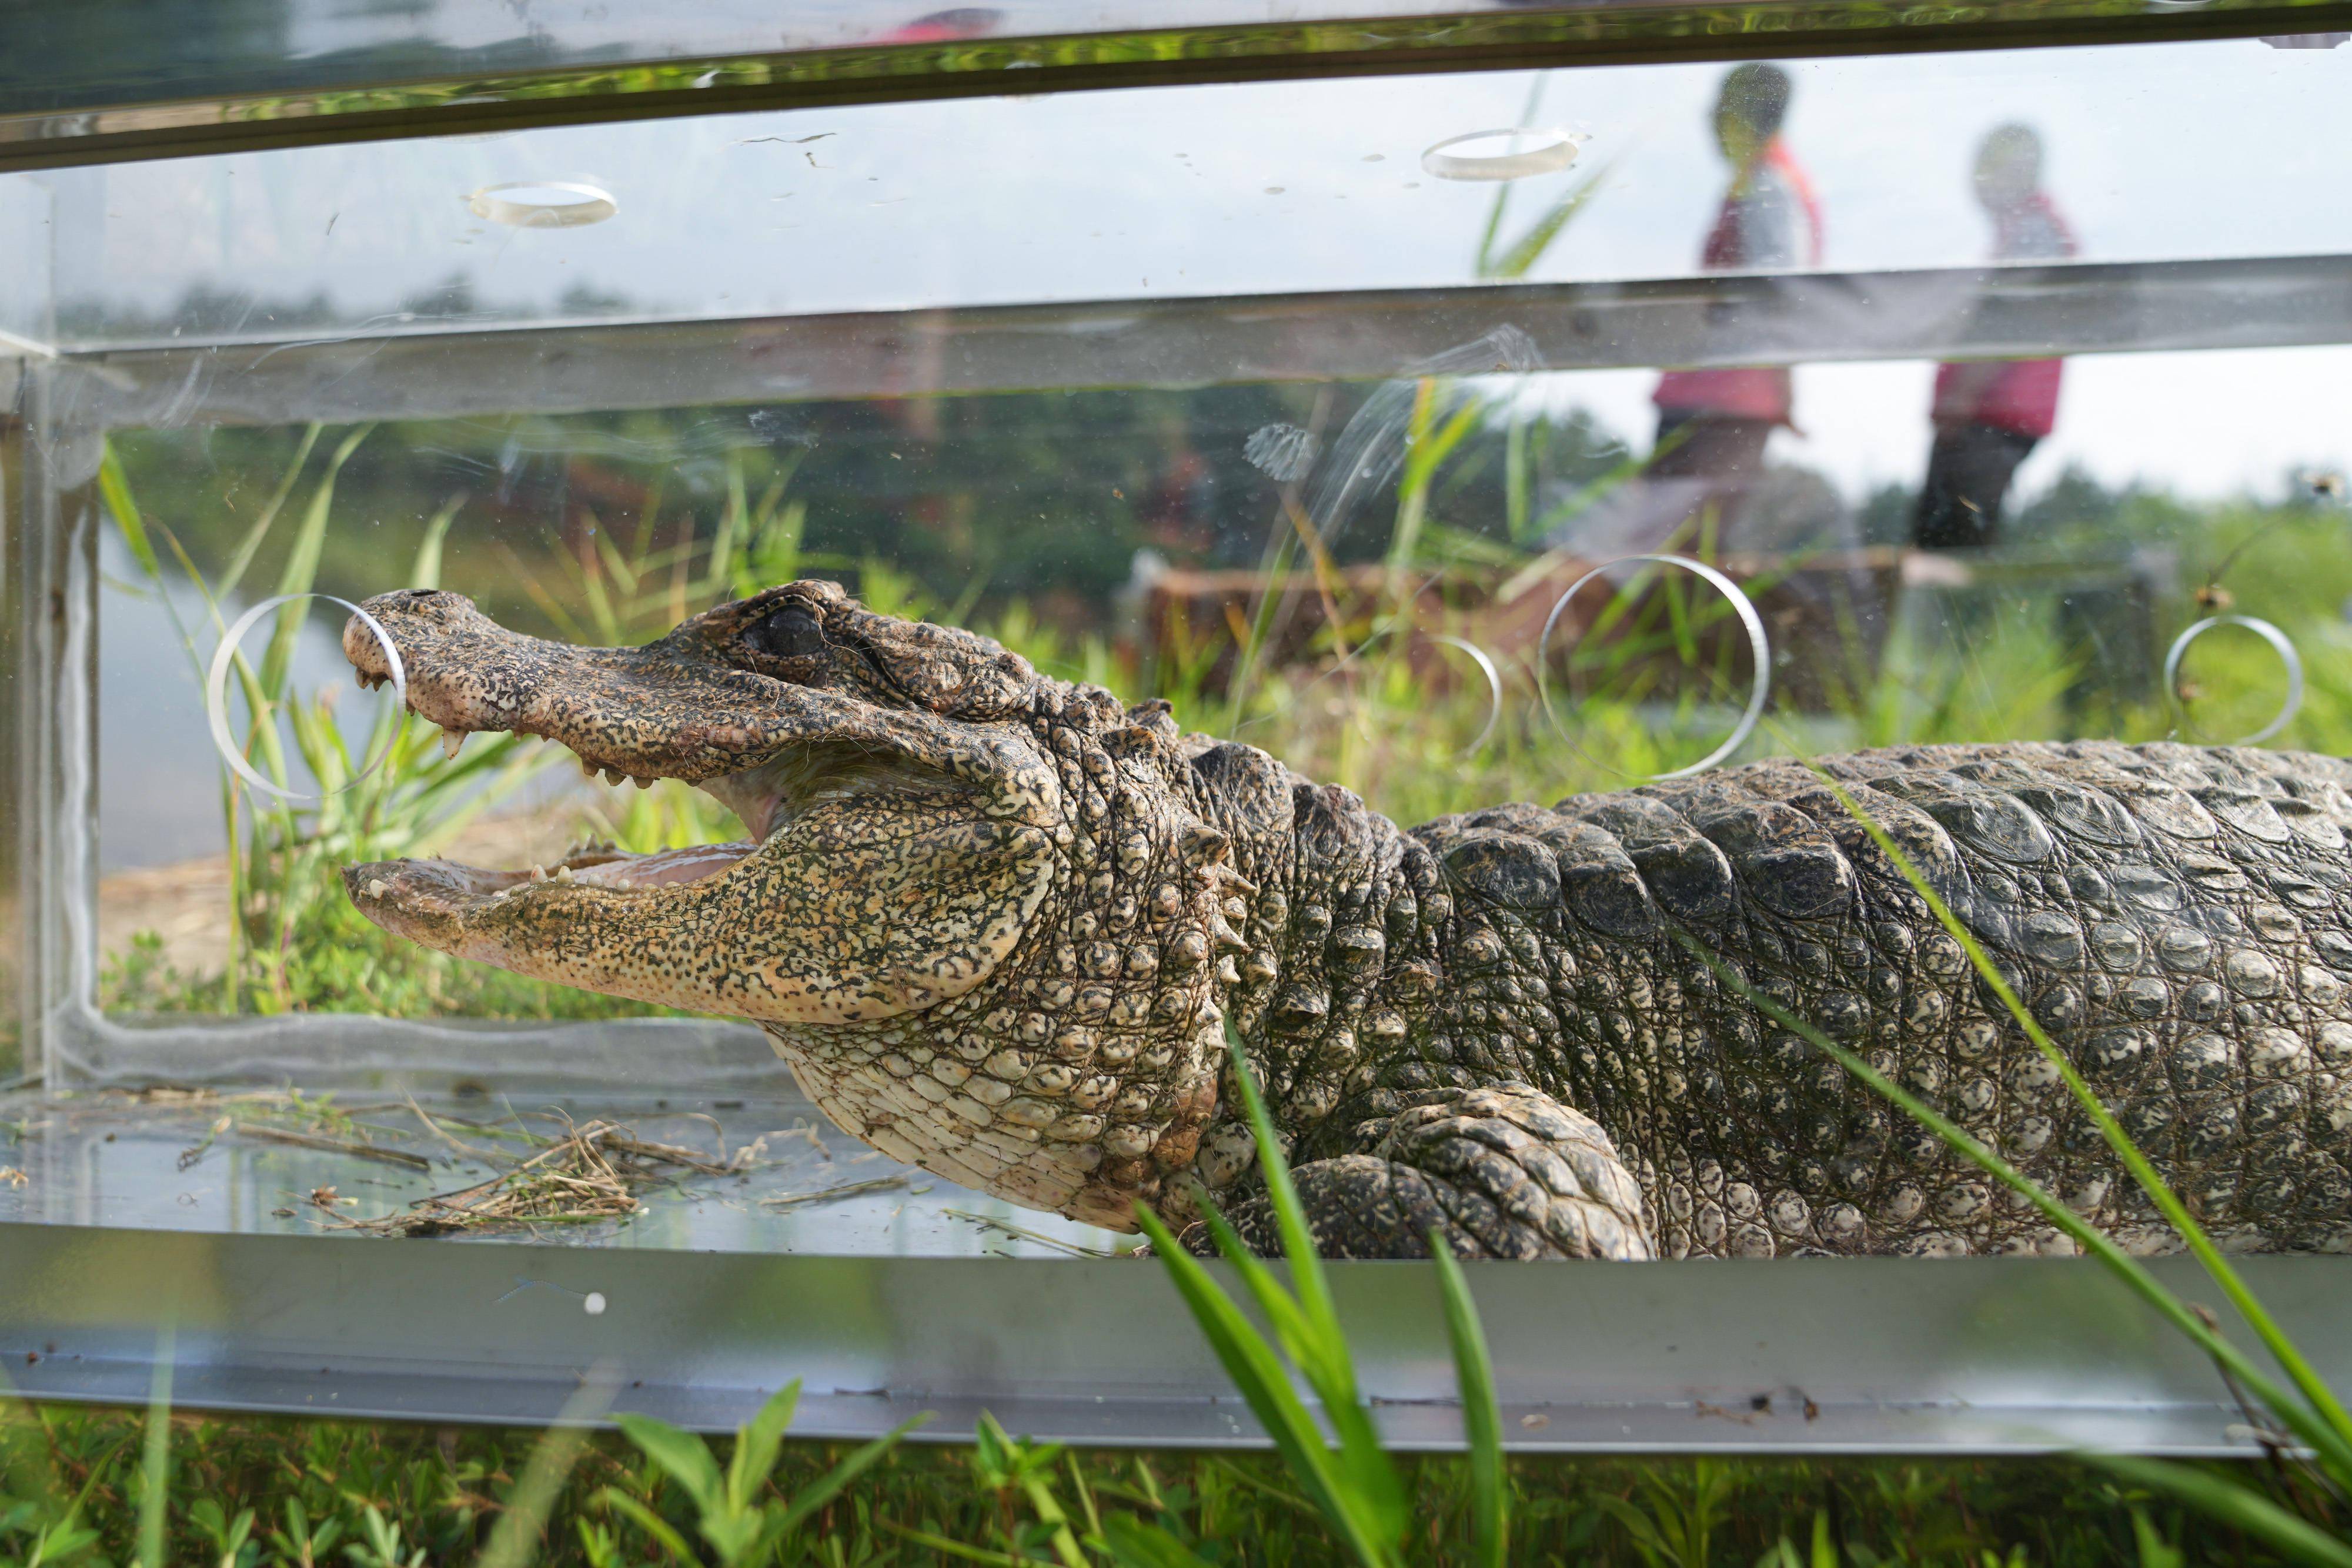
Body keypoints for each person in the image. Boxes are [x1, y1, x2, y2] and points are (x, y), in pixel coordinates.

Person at [1645, 61, 1824, 540]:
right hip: (1724, 400)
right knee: (1679, 549)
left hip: (1723, 404)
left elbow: (1780, 292)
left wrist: (1784, 390)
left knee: (1678, 553)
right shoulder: (1758, 182)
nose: (1709, 121)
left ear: (1739, 117)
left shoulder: (1769, 186)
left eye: (1719, 109)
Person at [1912, 123, 2077, 550]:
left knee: (1953, 545)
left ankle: (1971, 616)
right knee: (1956, 537)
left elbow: (2011, 319)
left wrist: (1962, 394)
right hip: (1992, 410)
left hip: (1992, 413)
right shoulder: (2027, 229)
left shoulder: (2034, 231)